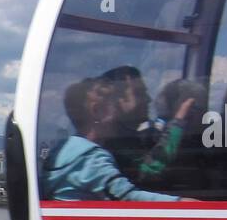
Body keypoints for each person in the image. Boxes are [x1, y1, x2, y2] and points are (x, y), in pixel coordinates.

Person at [40, 78, 180, 201]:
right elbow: (126, 197)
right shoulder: (90, 159)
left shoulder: (66, 149)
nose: (120, 111)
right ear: (97, 111)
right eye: (114, 105)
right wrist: (181, 202)